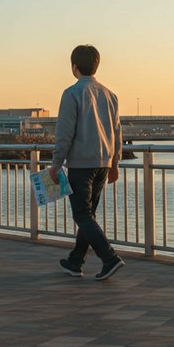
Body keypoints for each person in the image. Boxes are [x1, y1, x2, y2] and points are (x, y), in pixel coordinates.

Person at [49, 44, 125, 281]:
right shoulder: (110, 94)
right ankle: (75, 261)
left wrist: (55, 163)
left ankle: (109, 257)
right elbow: (117, 132)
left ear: (74, 67)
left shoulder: (72, 93)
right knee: (87, 214)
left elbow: (65, 133)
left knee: (82, 215)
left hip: (81, 164)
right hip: (103, 163)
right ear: (96, 65)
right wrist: (115, 164)